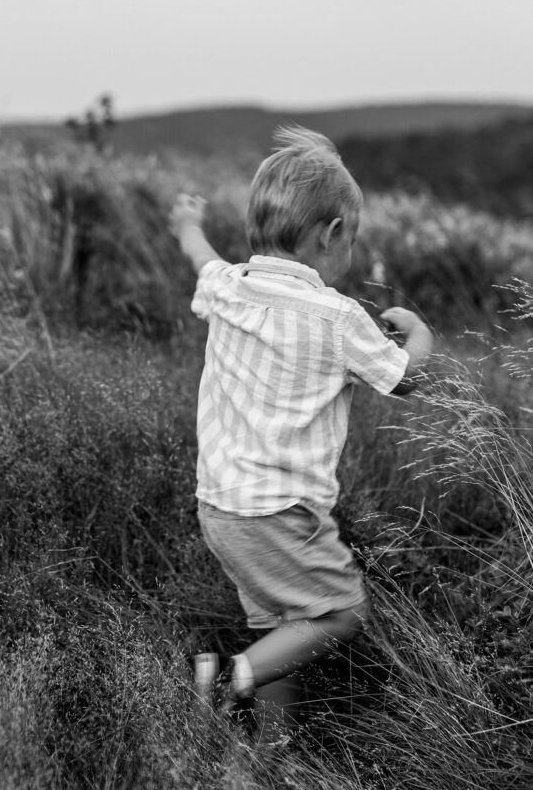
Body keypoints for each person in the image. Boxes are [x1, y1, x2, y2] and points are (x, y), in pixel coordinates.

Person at [169, 127, 433, 742]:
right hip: (283, 514)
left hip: (220, 508)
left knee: (284, 627)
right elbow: (405, 380)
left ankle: (269, 753)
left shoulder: (230, 286)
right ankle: (226, 678)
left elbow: (199, 256)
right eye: (354, 238)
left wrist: (185, 224)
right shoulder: (338, 317)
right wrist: (420, 335)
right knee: (339, 614)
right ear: (333, 233)